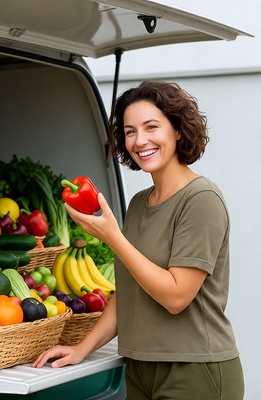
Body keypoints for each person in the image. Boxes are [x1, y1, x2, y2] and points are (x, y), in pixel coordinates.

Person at [32, 81, 244, 399]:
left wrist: (113, 237)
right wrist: (81, 348)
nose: (139, 140)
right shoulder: (139, 203)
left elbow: (176, 297)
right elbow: (129, 293)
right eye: (130, 131)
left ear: (177, 130)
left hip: (194, 369)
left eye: (151, 127)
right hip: (140, 368)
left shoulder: (201, 199)